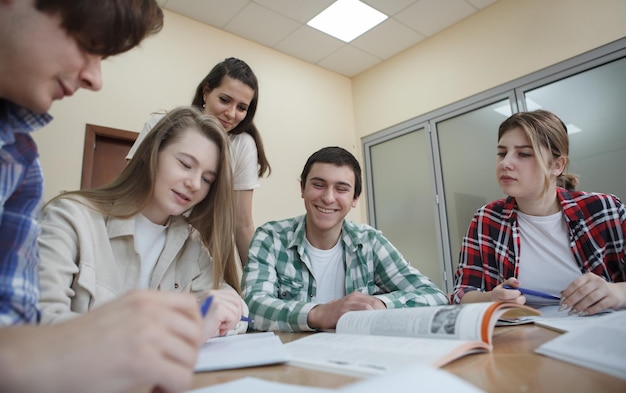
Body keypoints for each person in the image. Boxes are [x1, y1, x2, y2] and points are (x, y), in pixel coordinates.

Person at [0, 0, 216, 392]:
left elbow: (13, 325)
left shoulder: (20, 162)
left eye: (207, 178)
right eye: (88, 41)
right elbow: (35, 329)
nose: (96, 79)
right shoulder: (70, 215)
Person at [38, 106, 248, 335]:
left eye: (207, 179)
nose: (195, 184)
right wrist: (174, 325)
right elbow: (38, 322)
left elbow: (240, 313)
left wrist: (224, 311)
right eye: (185, 165)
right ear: (151, 153)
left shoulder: (192, 247)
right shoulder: (71, 218)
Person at [242, 146, 448, 332]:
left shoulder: (370, 242)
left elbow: (433, 295)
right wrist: (318, 313)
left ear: (355, 198)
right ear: (302, 188)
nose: (329, 198)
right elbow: (253, 306)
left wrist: (381, 304)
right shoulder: (270, 237)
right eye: (318, 185)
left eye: (341, 189)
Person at [452, 110, 626, 316]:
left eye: (523, 154)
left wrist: (618, 291)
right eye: (501, 153)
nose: (505, 163)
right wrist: (491, 298)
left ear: (557, 165)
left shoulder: (605, 209)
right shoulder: (486, 218)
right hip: (521, 338)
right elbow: (462, 293)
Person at [127, 57, 271, 265]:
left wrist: (256, 282)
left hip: (196, 248)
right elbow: (130, 187)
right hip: (144, 233)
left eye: (241, 107)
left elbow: (243, 223)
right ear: (206, 91)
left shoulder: (242, 146)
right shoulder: (162, 125)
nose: (231, 114)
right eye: (224, 100)